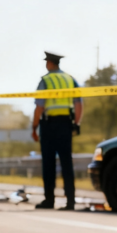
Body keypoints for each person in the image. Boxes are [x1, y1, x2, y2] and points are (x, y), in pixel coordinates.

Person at [32, 51, 83, 210]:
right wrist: (76, 123)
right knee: (67, 163)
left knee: (49, 164)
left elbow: (39, 107)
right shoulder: (70, 79)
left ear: (50, 63)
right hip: (66, 124)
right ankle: (70, 201)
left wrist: (34, 127)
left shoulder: (45, 80)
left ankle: (50, 200)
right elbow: (79, 104)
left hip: (49, 126)